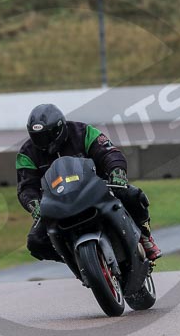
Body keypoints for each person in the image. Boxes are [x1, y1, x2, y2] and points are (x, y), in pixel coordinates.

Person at [16, 104, 162, 272]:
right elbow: (26, 186)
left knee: (132, 195)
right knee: (36, 242)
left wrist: (117, 171)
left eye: (47, 135)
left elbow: (109, 152)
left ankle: (145, 237)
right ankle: (78, 262)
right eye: (37, 137)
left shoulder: (82, 132)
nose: (43, 142)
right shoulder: (26, 153)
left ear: (59, 128)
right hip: (57, 202)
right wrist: (34, 204)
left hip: (96, 188)